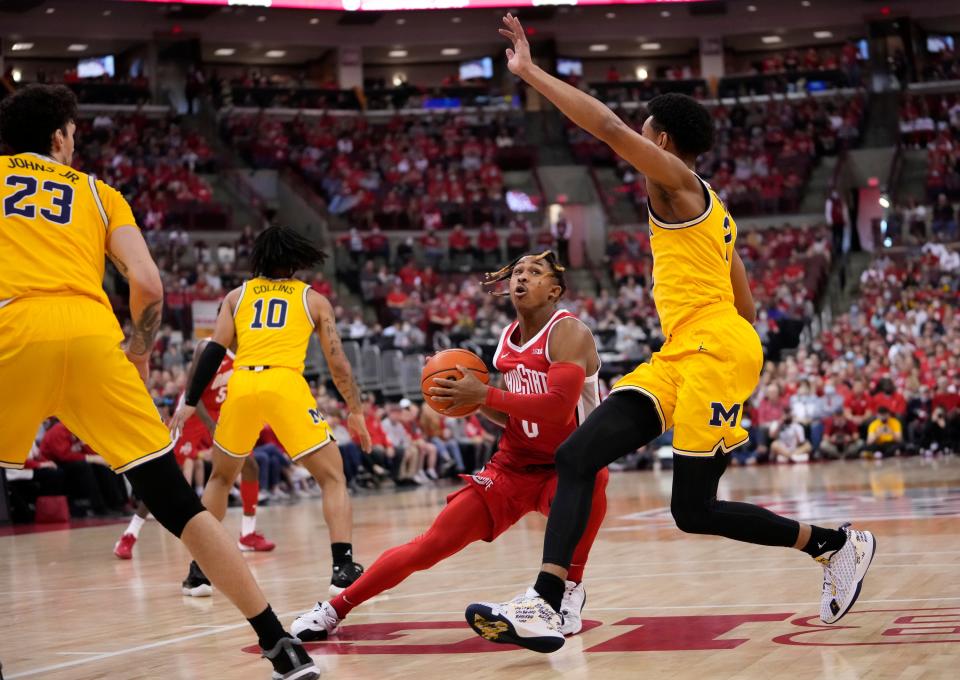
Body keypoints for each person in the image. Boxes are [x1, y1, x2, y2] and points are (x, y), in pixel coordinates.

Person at [464, 16, 877, 654]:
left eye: (645, 131)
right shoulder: (715, 208)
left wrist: (528, 72)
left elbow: (604, 126)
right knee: (580, 457)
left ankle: (836, 545)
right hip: (689, 348)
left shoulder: (674, 182)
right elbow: (745, 297)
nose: (638, 138)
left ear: (659, 136)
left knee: (691, 507)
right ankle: (553, 601)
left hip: (712, 348)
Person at [0, 84, 316, 678]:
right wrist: (139, 353)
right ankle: (280, 645)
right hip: (95, 337)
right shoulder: (97, 194)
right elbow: (147, 285)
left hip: (11, 325)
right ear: (60, 137)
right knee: (180, 503)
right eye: (74, 133)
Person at [291, 251, 608, 642]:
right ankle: (334, 609)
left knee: (594, 475)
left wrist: (485, 395)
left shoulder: (568, 332)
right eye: (518, 272)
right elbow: (517, 416)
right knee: (431, 544)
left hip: (569, 466)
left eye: (535, 272)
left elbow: (558, 410)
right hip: (513, 464)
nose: (521, 277)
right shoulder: (506, 342)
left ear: (554, 291)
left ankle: (568, 595)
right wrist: (469, 401)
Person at [169, 225, 373, 599]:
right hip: (285, 384)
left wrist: (190, 400)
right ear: (296, 261)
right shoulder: (313, 299)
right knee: (332, 478)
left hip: (243, 383)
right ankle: (343, 569)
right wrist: (355, 410)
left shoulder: (236, 296)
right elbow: (338, 363)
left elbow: (214, 350)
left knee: (219, 479)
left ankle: (199, 572)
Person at [114, 342, 276, 561]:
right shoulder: (209, 347)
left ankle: (247, 534)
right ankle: (130, 534)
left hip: (223, 413)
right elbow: (192, 391)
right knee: (167, 475)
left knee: (250, 466)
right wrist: (210, 425)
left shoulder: (251, 351)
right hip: (192, 412)